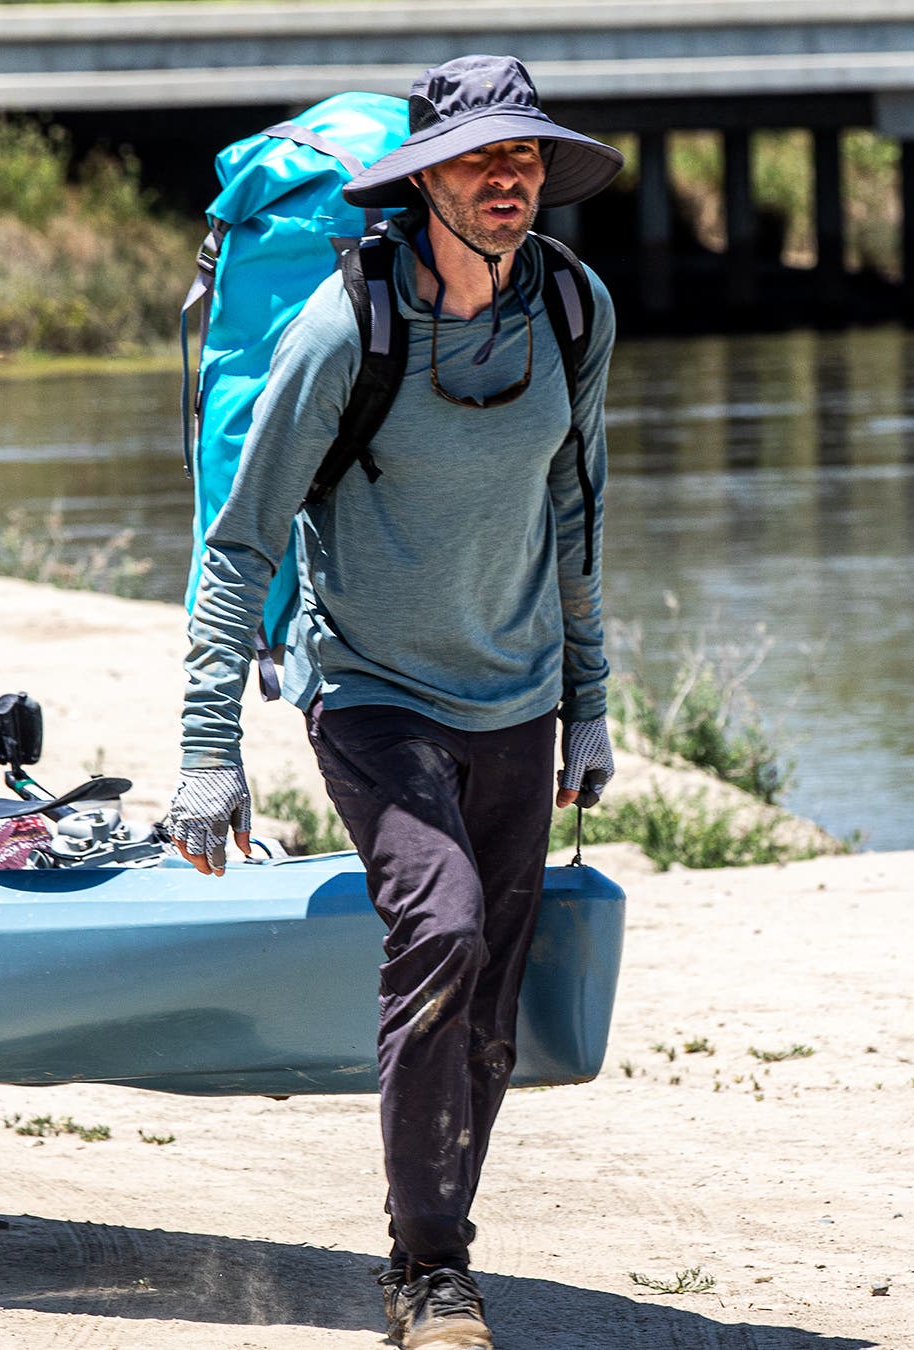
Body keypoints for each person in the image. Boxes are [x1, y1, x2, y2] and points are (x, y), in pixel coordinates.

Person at [164, 55, 624, 1350]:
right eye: (482, 160)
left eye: (525, 158)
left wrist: (590, 701)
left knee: (491, 993)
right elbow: (240, 545)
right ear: (424, 180)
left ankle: (434, 1248)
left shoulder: (576, 312)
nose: (508, 181)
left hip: (518, 692)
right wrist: (210, 751)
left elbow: (580, 507)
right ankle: (431, 1270)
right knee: (446, 922)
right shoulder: (339, 329)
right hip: (369, 689)